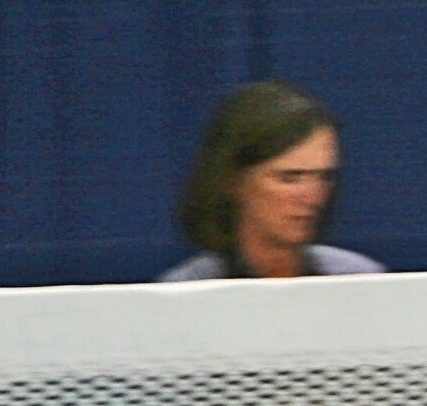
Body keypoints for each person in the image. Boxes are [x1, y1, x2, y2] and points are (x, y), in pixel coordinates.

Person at [157, 81, 382, 280]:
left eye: (325, 177)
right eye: (290, 178)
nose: (314, 197)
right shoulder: (186, 296)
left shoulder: (360, 281)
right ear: (234, 181)